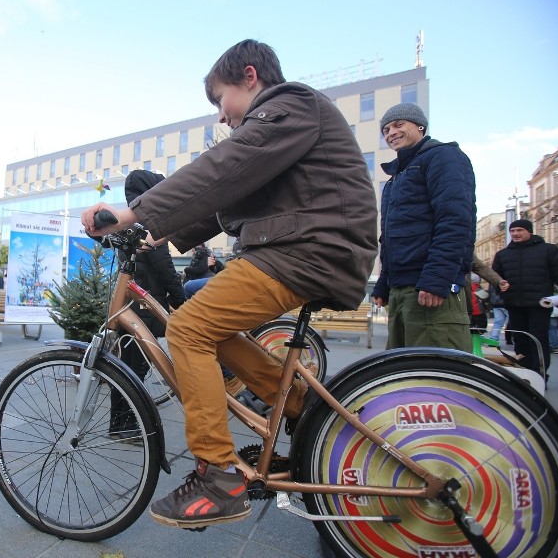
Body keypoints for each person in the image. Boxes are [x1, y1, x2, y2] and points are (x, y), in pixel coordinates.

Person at [82, 39, 377, 529]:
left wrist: (132, 210)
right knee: (209, 330)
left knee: (188, 328)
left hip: (309, 251)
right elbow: (227, 203)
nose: (221, 116)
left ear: (249, 76)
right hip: (308, 249)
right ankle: (305, 412)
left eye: (221, 100)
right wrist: (154, 232)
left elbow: (223, 170)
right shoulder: (284, 128)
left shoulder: (292, 105)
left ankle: (217, 475)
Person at [371, 103, 477, 352]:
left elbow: (456, 221)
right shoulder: (397, 176)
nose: (391, 133)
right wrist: (384, 282)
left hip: (429, 288)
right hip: (402, 290)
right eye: (385, 129)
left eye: (399, 125)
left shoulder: (443, 157)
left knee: (435, 378)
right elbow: (391, 238)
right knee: (402, 376)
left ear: (420, 126)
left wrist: (436, 279)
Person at [110, 170, 186, 442]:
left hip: (130, 305)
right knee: (135, 369)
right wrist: (180, 301)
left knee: (126, 366)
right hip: (144, 305)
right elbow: (165, 268)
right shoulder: (147, 226)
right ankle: (123, 426)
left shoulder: (129, 225)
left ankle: (121, 423)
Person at [492, 219, 558, 377]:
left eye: (519, 230)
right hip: (514, 304)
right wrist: (500, 287)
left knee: (538, 340)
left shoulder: (548, 250)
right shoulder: (502, 254)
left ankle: (540, 373)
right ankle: (523, 373)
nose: (515, 234)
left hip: (539, 305)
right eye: (512, 231)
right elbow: (495, 278)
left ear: (529, 231)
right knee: (520, 340)